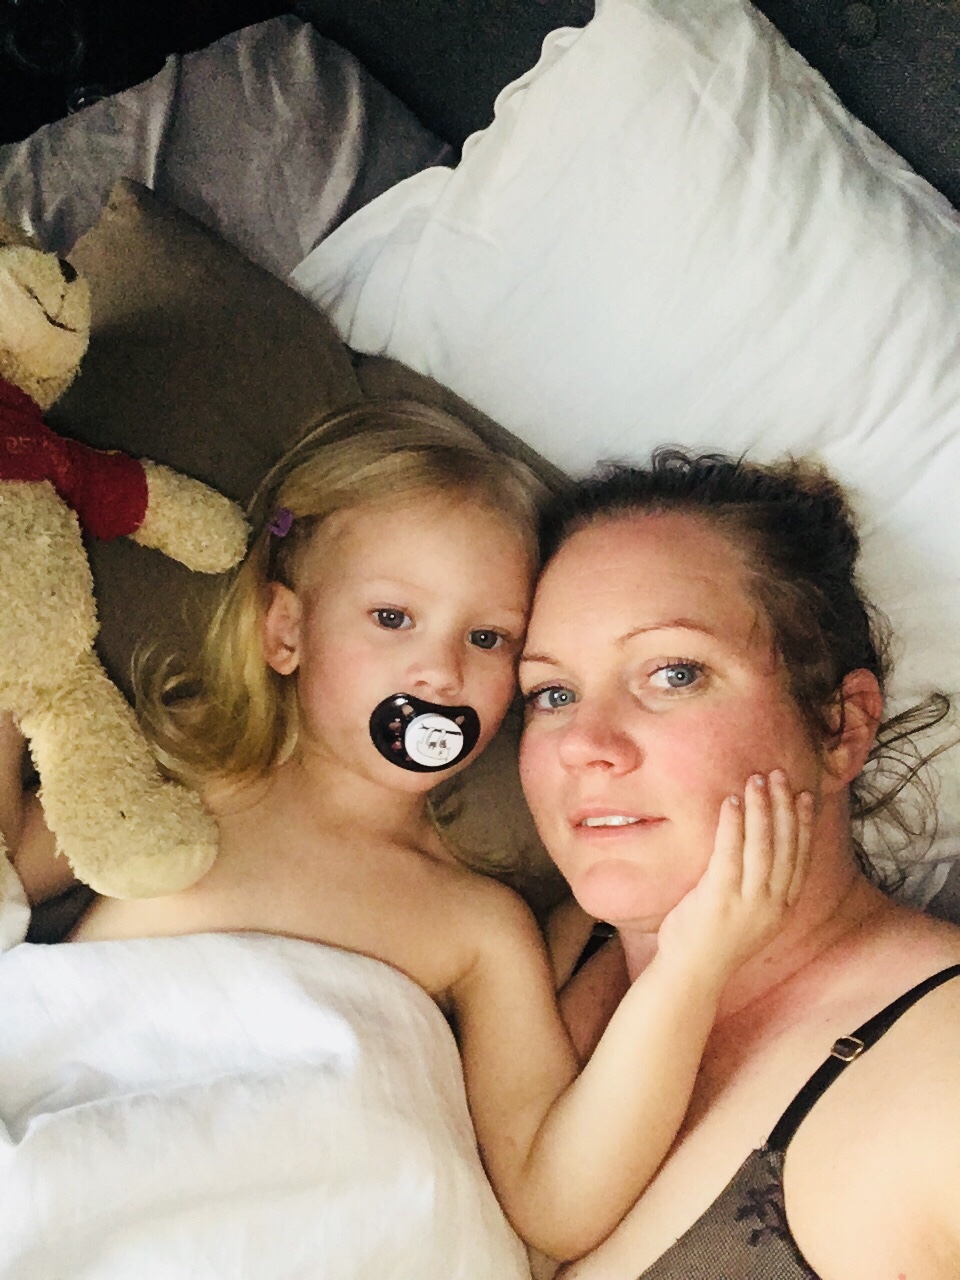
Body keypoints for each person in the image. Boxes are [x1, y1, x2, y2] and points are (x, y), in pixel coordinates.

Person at [0, 402, 811, 1267]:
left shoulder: (477, 925)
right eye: (392, 618)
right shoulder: (169, 789)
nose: (441, 670)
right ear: (286, 631)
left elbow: (554, 1200)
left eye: (487, 638)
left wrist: (691, 970)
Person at [518, 447, 960, 1279]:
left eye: (674, 673)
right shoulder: (522, 975)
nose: (583, 743)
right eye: (552, 694)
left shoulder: (945, 1074)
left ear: (842, 726)